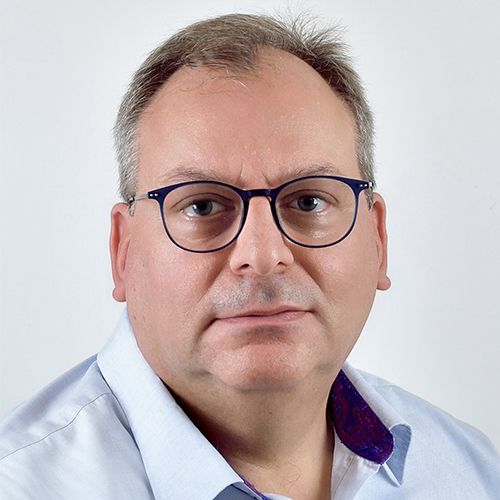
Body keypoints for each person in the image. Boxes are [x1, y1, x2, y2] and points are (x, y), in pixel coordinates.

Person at [0, 12, 499, 500]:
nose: (263, 256)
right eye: (201, 205)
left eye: (309, 201)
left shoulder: (472, 473)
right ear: (122, 251)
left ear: (378, 239)